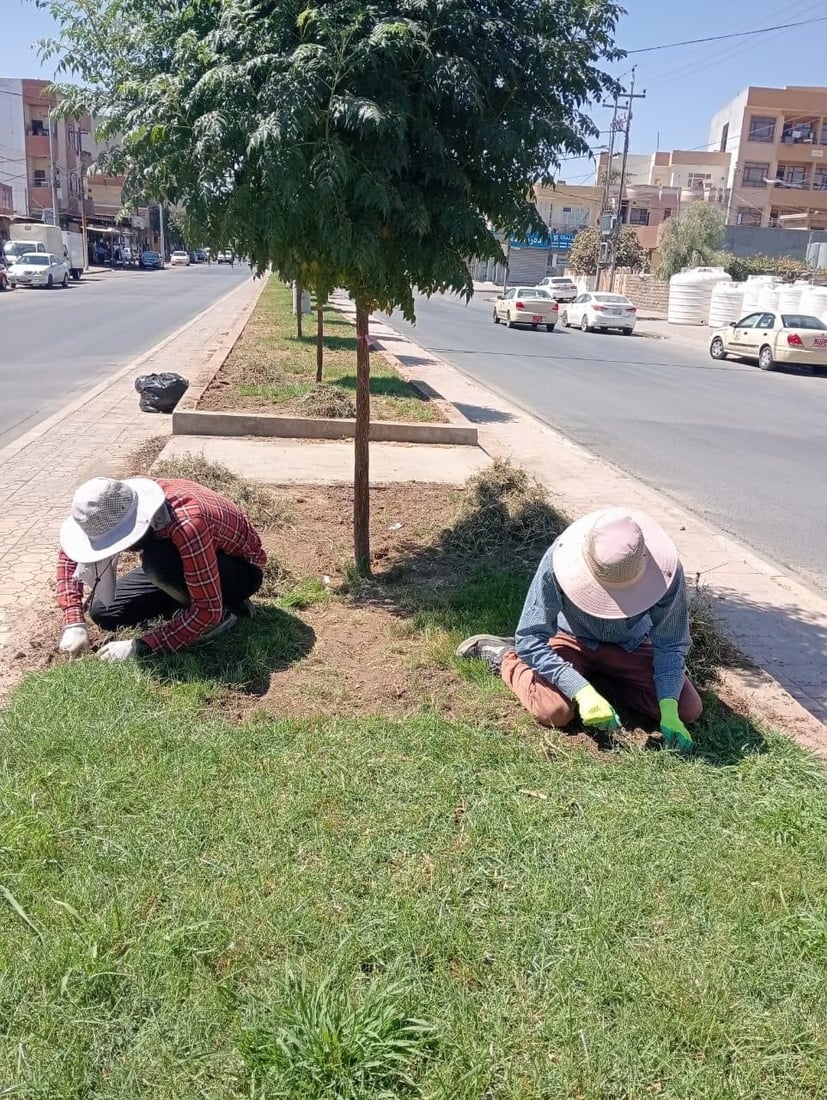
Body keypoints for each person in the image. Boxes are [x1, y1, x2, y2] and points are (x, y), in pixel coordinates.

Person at [457, 508, 702, 755]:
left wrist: (669, 710)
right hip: (571, 638)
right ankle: (506, 657)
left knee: (687, 709)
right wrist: (581, 691)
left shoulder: (668, 571)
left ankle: (607, 682)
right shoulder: (558, 560)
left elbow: (671, 643)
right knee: (553, 711)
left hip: (632, 645)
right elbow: (530, 637)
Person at [57, 476, 266, 662]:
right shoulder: (110, 504)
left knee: (158, 561)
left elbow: (207, 610)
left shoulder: (187, 524)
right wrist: (74, 622)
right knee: (105, 612)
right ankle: (187, 605)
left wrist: (142, 646)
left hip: (239, 568)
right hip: (185, 560)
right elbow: (70, 556)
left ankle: (223, 611)